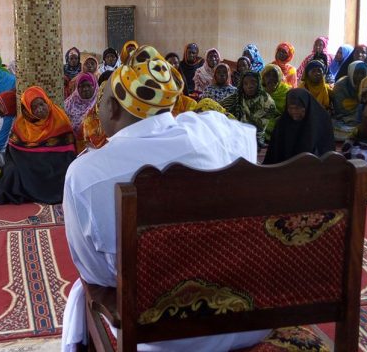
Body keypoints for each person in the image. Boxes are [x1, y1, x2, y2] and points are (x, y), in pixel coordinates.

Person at [62, 45, 268, 352]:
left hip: (161, 335)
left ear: (116, 108)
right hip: (250, 320)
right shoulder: (216, 130)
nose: (97, 110)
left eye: (102, 103)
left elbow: (98, 275)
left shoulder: (86, 174)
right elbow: (248, 147)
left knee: (85, 293)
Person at [0, 86, 76, 205]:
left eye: (42, 104)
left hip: (54, 162)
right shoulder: (21, 124)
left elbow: (69, 150)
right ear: (27, 110)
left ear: (47, 101)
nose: (40, 109)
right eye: (34, 107)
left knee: (65, 170)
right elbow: (13, 152)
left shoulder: (60, 119)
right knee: (11, 171)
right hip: (28, 163)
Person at [263, 88, 336, 165]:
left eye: (298, 108)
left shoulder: (321, 120)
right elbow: (274, 155)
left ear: (306, 106)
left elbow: (325, 151)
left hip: (314, 167)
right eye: (290, 108)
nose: (294, 112)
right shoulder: (283, 122)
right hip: (287, 168)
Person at [220, 71, 277, 147]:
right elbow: (220, 108)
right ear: (242, 86)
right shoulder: (236, 98)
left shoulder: (267, 101)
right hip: (234, 136)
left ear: (259, 83)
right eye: (245, 84)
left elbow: (262, 126)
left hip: (257, 138)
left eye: (253, 82)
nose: (249, 86)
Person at [332, 61, 367, 141]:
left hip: (357, 117)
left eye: (363, 73)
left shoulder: (366, 85)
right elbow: (339, 109)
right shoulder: (341, 85)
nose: (360, 76)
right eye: (357, 73)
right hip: (342, 117)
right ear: (351, 72)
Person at [64, 72, 98, 152]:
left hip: (96, 148)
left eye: (89, 85)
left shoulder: (100, 103)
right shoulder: (68, 104)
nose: (85, 89)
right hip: (72, 146)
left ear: (95, 86)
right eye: (81, 86)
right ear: (77, 88)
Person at [261, 63, 291, 140]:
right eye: (268, 75)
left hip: (279, 126)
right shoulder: (258, 91)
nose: (271, 78)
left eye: (275, 75)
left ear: (280, 77)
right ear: (263, 78)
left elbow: (290, 112)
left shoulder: (286, 92)